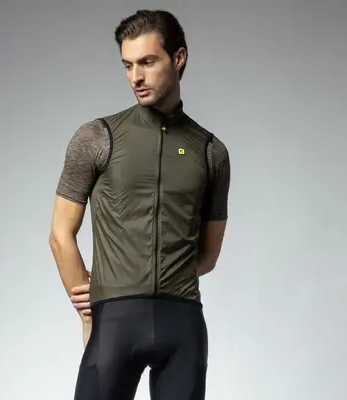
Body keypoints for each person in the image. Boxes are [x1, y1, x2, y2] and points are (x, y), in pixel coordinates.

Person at [49, 9, 231, 400]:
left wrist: (165, 278)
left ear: (178, 58)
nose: (136, 77)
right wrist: (88, 304)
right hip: (115, 322)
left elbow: (209, 255)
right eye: (128, 65)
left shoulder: (210, 151)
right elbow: (60, 233)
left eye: (147, 62)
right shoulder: (97, 137)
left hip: (182, 324)